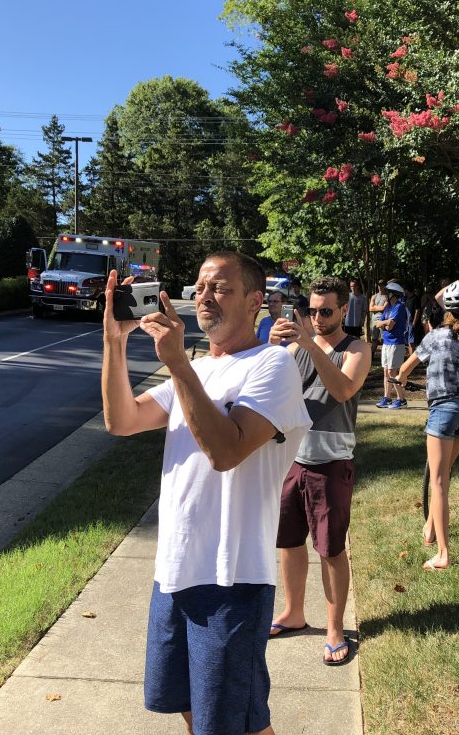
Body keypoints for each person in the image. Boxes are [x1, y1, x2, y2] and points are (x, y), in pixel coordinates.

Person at [101, 251, 311, 735]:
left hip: (230, 576)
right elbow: (122, 420)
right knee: (191, 708)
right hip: (175, 569)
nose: (204, 296)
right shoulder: (197, 370)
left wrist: (177, 364)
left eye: (220, 288)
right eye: (199, 287)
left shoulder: (272, 366)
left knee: (233, 722)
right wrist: (114, 341)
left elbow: (226, 451)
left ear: (255, 301)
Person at [265, 277, 372, 666]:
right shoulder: (295, 348)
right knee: (289, 542)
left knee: (330, 548)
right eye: (312, 311)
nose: (317, 318)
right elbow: (267, 388)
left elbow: (342, 390)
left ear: (344, 309)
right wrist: (272, 349)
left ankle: (334, 628)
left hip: (331, 463)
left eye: (326, 311)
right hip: (291, 459)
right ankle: (293, 613)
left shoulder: (355, 349)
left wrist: (311, 345)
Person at [395, 277, 459, 570]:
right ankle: (429, 529)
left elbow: (406, 367)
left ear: (447, 310)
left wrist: (400, 378)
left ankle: (443, 554)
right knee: (444, 471)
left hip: (443, 411)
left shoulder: (434, 337)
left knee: (438, 483)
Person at [373, 280, 409, 409]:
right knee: (386, 372)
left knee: (392, 371)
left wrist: (385, 324)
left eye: (387, 292)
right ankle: (387, 398)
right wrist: (385, 323)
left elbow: (390, 326)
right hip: (386, 342)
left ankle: (401, 399)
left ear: (393, 294)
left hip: (396, 343)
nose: (385, 295)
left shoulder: (399, 307)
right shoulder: (388, 307)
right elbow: (378, 323)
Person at [368, 280, 389, 352]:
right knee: (374, 339)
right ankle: (372, 356)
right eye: (379, 285)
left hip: (383, 320)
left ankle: (384, 355)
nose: (380, 287)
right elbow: (370, 308)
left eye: (382, 285)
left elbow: (384, 308)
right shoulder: (374, 296)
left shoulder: (387, 297)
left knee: (384, 339)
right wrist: (380, 307)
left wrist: (375, 307)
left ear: (385, 286)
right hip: (374, 321)